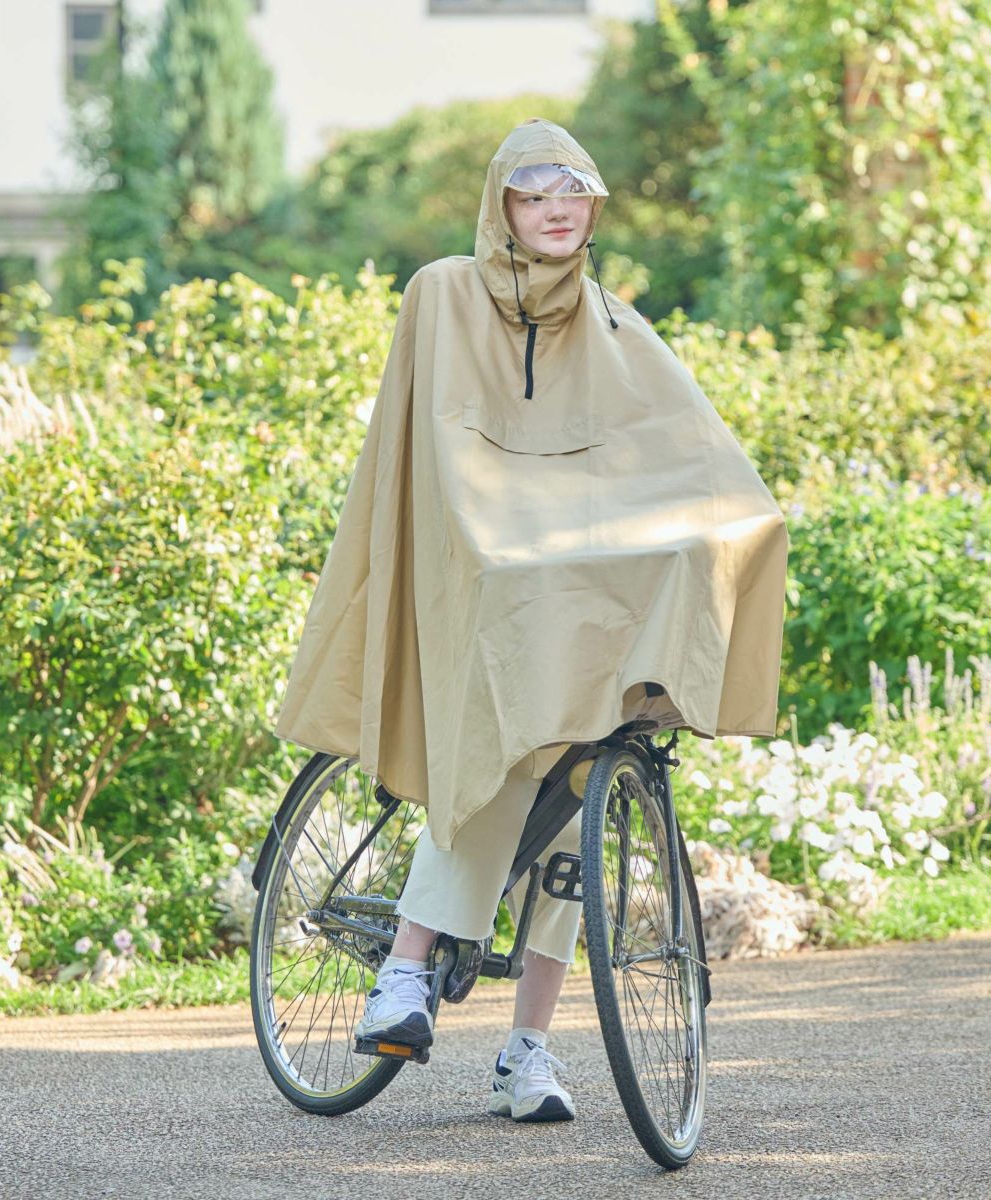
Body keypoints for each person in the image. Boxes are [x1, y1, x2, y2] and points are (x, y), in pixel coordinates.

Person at [274, 116, 789, 1128]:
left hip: (570, 587)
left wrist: (745, 524)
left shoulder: (616, 325)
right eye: (534, 191)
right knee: (507, 749)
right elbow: (434, 446)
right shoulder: (442, 293)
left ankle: (527, 1051)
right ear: (500, 205)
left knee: (580, 794)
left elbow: (688, 451)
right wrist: (496, 545)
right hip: (484, 568)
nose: (557, 208)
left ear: (594, 209)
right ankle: (405, 970)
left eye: (575, 191)